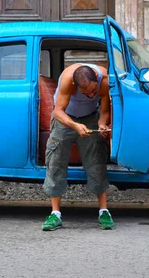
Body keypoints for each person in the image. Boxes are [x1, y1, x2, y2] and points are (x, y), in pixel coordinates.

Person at [41, 63, 114, 231]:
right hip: (65, 120)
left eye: (93, 92)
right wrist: (75, 126)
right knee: (56, 161)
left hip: (90, 117)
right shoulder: (68, 79)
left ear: (96, 80)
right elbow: (58, 111)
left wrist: (102, 124)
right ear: (75, 86)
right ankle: (55, 214)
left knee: (96, 160)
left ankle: (104, 211)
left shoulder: (103, 79)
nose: (90, 95)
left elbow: (104, 109)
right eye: (85, 93)